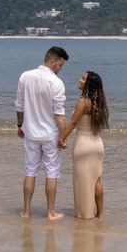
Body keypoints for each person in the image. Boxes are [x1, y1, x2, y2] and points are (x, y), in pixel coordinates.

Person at [16, 46, 69, 220]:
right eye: (60, 65)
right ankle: (50, 213)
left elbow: (20, 105)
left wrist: (20, 125)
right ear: (52, 61)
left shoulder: (25, 76)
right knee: (51, 172)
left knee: (30, 171)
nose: (60, 68)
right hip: (50, 135)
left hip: (30, 132)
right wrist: (63, 136)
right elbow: (59, 115)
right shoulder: (56, 83)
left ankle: (26, 212)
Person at [57, 70, 108, 219]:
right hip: (97, 144)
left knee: (81, 180)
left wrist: (61, 138)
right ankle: (100, 214)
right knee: (96, 179)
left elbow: (73, 123)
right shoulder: (100, 103)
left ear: (88, 84)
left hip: (83, 144)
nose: (80, 80)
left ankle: (84, 214)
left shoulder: (83, 101)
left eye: (83, 79)